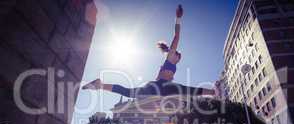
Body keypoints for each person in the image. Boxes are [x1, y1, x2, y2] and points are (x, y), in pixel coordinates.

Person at [83, 5, 216, 98]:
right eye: (178, 56)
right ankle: (212, 92)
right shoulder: (170, 58)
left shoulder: (170, 64)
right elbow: (176, 37)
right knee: (186, 90)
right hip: (161, 86)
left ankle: (100, 85)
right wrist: (178, 19)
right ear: (173, 54)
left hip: (158, 88)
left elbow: (161, 76)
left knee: (130, 93)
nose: (179, 58)